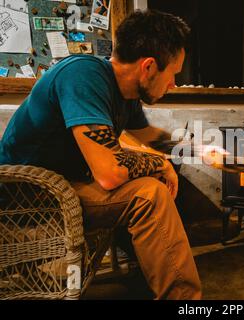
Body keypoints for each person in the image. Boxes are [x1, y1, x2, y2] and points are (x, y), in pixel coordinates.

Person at [0, 10, 201, 300]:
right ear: (148, 67)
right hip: (27, 195)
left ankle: (143, 276)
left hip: (64, 183)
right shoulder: (83, 75)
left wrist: (199, 150)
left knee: (151, 175)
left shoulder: (126, 92)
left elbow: (150, 138)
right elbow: (109, 173)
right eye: (173, 74)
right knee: (149, 194)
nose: (174, 84)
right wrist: (159, 163)